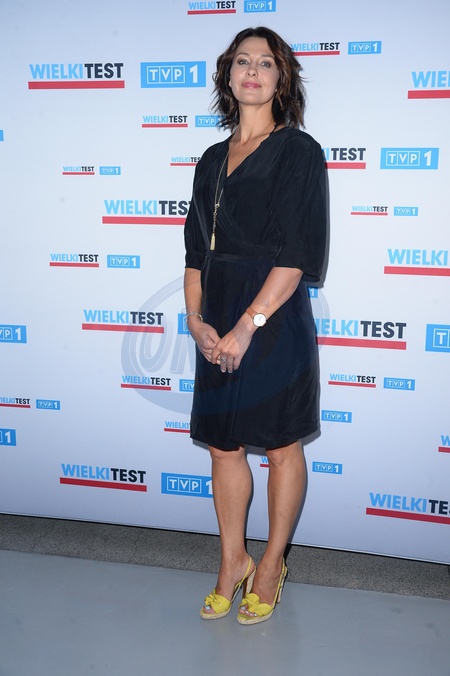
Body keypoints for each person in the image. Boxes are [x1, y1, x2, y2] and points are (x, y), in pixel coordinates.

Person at [183, 26, 327, 625]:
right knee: (223, 447)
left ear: (281, 78)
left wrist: (248, 326)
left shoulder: (299, 151)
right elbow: (195, 253)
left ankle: (270, 565)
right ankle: (232, 561)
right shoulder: (211, 159)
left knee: (281, 445)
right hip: (216, 313)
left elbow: (297, 255)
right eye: (242, 61)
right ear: (228, 75)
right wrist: (196, 320)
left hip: (272, 315)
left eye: (265, 63)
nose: (252, 71)